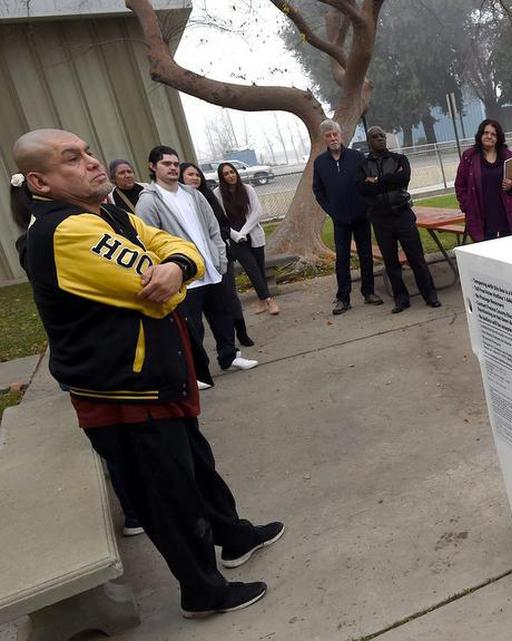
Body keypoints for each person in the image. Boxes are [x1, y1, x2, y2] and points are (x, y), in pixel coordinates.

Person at [13, 128, 283, 618]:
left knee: (196, 464)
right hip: (123, 393)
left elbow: (178, 251)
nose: (93, 162)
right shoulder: (64, 232)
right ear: (40, 181)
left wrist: (177, 265)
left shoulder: (110, 214)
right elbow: (160, 298)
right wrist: (179, 272)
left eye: (89, 151)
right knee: (169, 494)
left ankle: (232, 534)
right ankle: (202, 591)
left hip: (156, 380)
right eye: (72, 158)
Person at [135, 145, 259, 378]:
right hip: (184, 277)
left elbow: (213, 228)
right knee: (191, 327)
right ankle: (196, 372)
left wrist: (220, 259)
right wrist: (171, 272)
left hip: (212, 269)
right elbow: (149, 243)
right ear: (153, 167)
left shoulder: (193, 194)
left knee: (222, 317)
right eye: (166, 164)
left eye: (175, 163)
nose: (172, 168)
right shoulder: (149, 202)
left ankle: (229, 357)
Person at [357, 126, 441, 313]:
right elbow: (362, 189)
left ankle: (430, 295)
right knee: (391, 261)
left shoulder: (399, 159)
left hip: (403, 215)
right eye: (375, 136)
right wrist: (387, 181)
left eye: (382, 135)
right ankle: (401, 299)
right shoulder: (363, 165)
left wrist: (376, 181)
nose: (380, 138)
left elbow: (403, 178)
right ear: (368, 141)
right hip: (380, 220)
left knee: (416, 258)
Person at [180, 162, 256, 352]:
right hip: (193, 262)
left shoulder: (207, 196)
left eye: (197, 175)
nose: (195, 178)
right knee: (202, 307)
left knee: (229, 296)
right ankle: (204, 349)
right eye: (190, 175)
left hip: (219, 255)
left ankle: (241, 333)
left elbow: (222, 224)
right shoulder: (178, 201)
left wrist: (218, 242)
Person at [313, 119, 383, 315]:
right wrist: (331, 209)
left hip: (361, 216)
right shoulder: (320, 163)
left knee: (366, 255)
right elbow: (318, 191)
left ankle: (369, 292)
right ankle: (343, 298)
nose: (333, 138)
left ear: (341, 136)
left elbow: (368, 183)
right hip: (339, 220)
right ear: (324, 139)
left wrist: (365, 205)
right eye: (328, 135)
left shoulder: (356, 157)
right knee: (342, 259)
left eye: (335, 134)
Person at [213, 162, 280, 316]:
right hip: (235, 239)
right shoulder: (217, 193)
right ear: (221, 177)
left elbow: (256, 212)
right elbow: (219, 219)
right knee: (252, 270)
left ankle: (262, 300)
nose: (231, 176)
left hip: (252, 234)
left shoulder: (248, 189)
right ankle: (270, 300)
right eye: (226, 174)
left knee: (259, 269)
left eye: (232, 172)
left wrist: (243, 232)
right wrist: (235, 235)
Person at [455, 119, 512, 242]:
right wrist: (467, 205)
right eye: (486, 133)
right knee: (486, 253)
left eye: (493, 134)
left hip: (506, 213)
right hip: (481, 215)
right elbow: (460, 185)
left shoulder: (510, 157)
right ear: (480, 135)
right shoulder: (469, 157)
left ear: (498, 138)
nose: (489, 136)